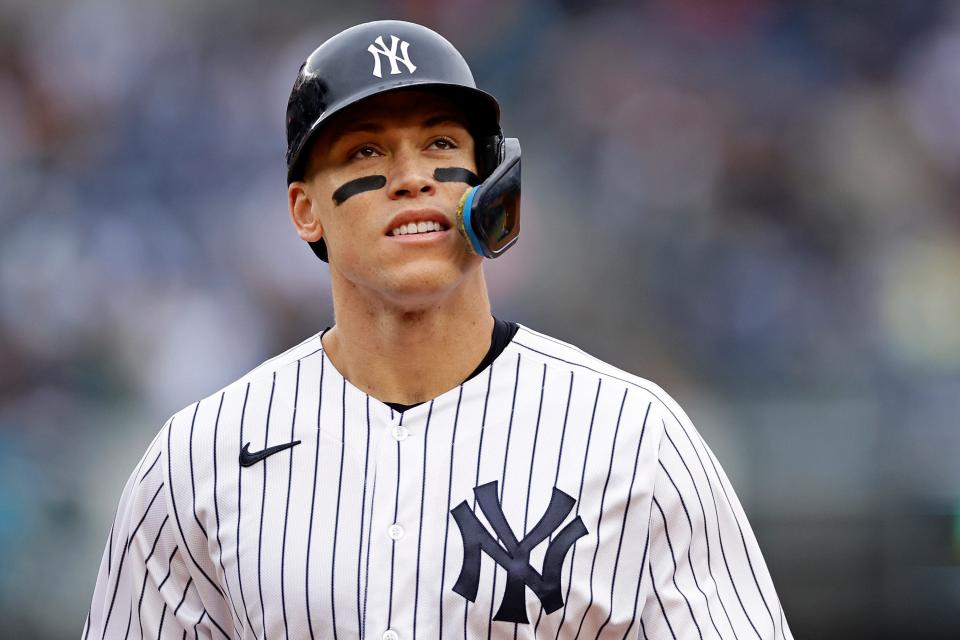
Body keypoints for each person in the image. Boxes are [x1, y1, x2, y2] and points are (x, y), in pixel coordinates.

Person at [83, 20, 792, 640]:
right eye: (365, 151)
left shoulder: (634, 438)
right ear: (304, 210)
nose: (412, 177)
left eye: (441, 143)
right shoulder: (197, 461)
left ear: (493, 182)